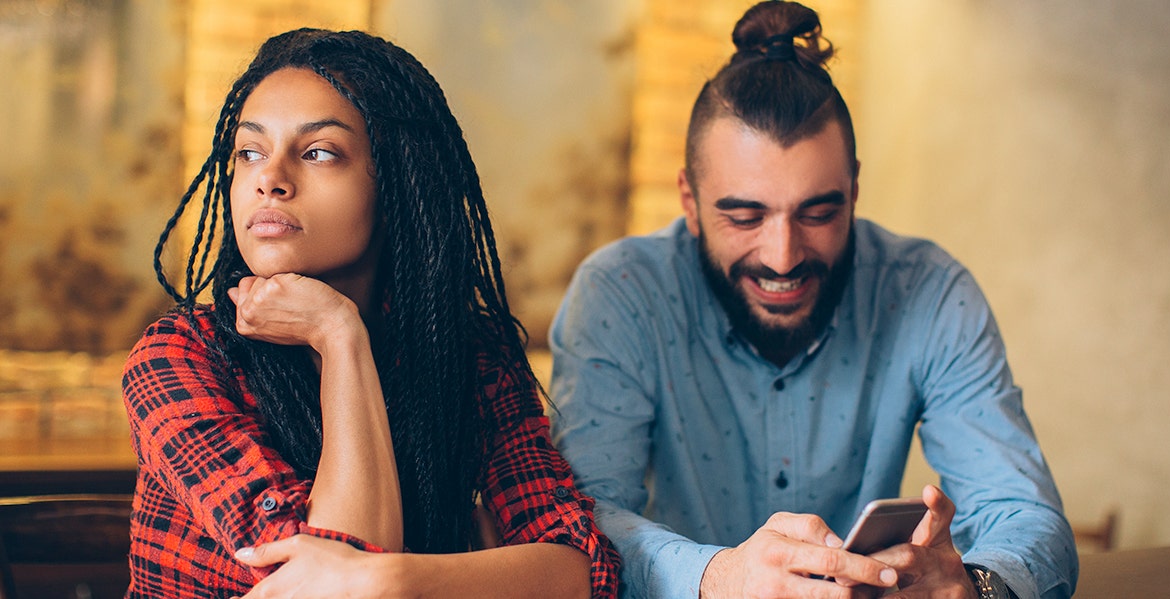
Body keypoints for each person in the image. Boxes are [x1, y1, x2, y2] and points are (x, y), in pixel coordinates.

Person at [549, 2, 1077, 598]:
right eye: (745, 216)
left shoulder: (930, 291)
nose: (783, 256)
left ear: (854, 187)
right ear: (690, 202)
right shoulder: (621, 294)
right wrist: (717, 578)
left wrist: (976, 587)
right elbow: (579, 520)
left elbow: (1028, 516)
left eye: (819, 212)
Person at [122, 28, 618, 598]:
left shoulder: (472, 356)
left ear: (397, 183)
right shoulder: (180, 356)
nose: (270, 180)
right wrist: (339, 335)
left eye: (318, 153)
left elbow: (583, 570)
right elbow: (325, 590)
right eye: (250, 152)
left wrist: (395, 577)